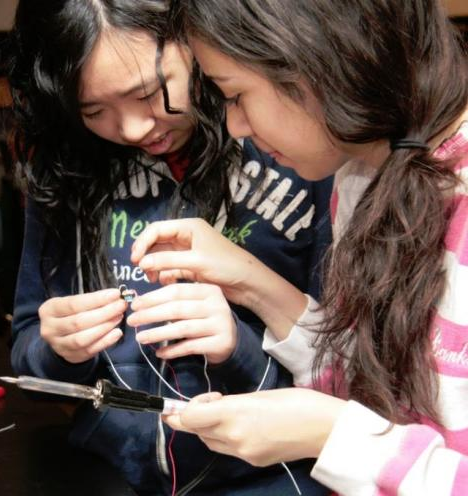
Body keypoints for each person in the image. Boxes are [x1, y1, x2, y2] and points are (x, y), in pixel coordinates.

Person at [126, 0, 468, 494]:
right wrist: (247, 278)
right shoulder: (361, 171)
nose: (235, 126)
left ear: (316, 60)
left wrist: (325, 431)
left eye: (235, 95)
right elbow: (371, 386)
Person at [7, 0, 333, 494]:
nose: (134, 129)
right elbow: (28, 356)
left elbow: (353, 377)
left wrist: (239, 350)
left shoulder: (293, 147)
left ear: (196, 39)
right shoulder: (70, 168)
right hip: (113, 470)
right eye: (93, 109)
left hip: (274, 475)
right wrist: (55, 349)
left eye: (150, 93)